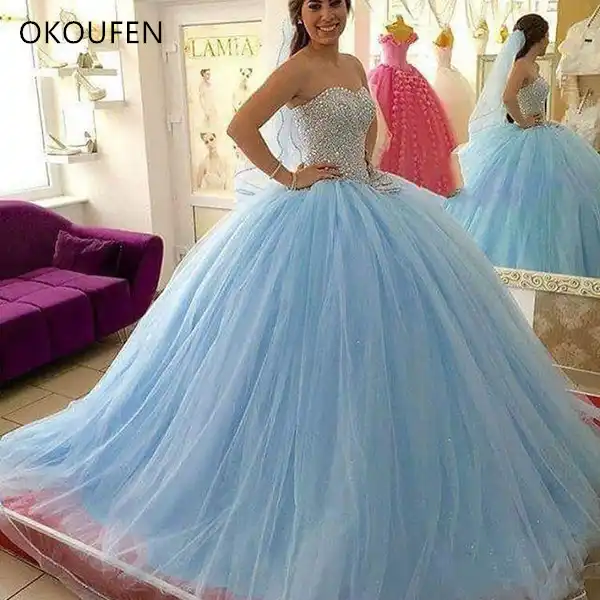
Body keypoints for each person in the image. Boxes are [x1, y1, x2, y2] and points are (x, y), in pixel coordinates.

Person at [1, 3, 600, 600]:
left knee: (393, 345)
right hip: (312, 215)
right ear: (301, 12)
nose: (327, 15)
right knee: (304, 350)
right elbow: (241, 126)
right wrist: (289, 176)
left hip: (369, 200)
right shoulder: (297, 68)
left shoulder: (354, 66)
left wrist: (365, 167)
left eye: (335, 3)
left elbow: (366, 130)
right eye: (314, 4)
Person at [444, 14, 600, 278]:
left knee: (551, 195)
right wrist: (523, 121)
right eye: (547, 36)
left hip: (542, 130)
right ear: (538, 37)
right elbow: (507, 97)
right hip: (528, 134)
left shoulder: (533, 66)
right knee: (522, 198)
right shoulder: (521, 65)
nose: (548, 41)